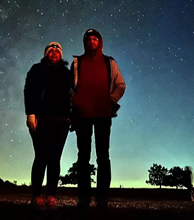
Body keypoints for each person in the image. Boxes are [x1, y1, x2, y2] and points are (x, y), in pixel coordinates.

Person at [70, 29, 126, 208]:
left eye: (95, 39)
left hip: (103, 114)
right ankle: (84, 198)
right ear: (85, 42)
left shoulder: (109, 62)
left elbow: (120, 84)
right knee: (83, 157)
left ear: (100, 42)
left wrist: (111, 100)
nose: (92, 41)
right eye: (89, 39)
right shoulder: (77, 62)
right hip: (82, 114)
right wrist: (73, 103)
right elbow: (70, 86)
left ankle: (102, 197)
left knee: (103, 156)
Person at [24, 42, 72, 210]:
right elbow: (29, 90)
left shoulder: (67, 73)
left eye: (57, 50)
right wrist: (30, 113)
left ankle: (51, 195)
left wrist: (71, 116)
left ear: (61, 54)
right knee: (41, 157)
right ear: (46, 54)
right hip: (41, 119)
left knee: (55, 159)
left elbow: (72, 94)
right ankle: (36, 196)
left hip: (61, 120)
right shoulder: (36, 69)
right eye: (50, 50)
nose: (54, 52)